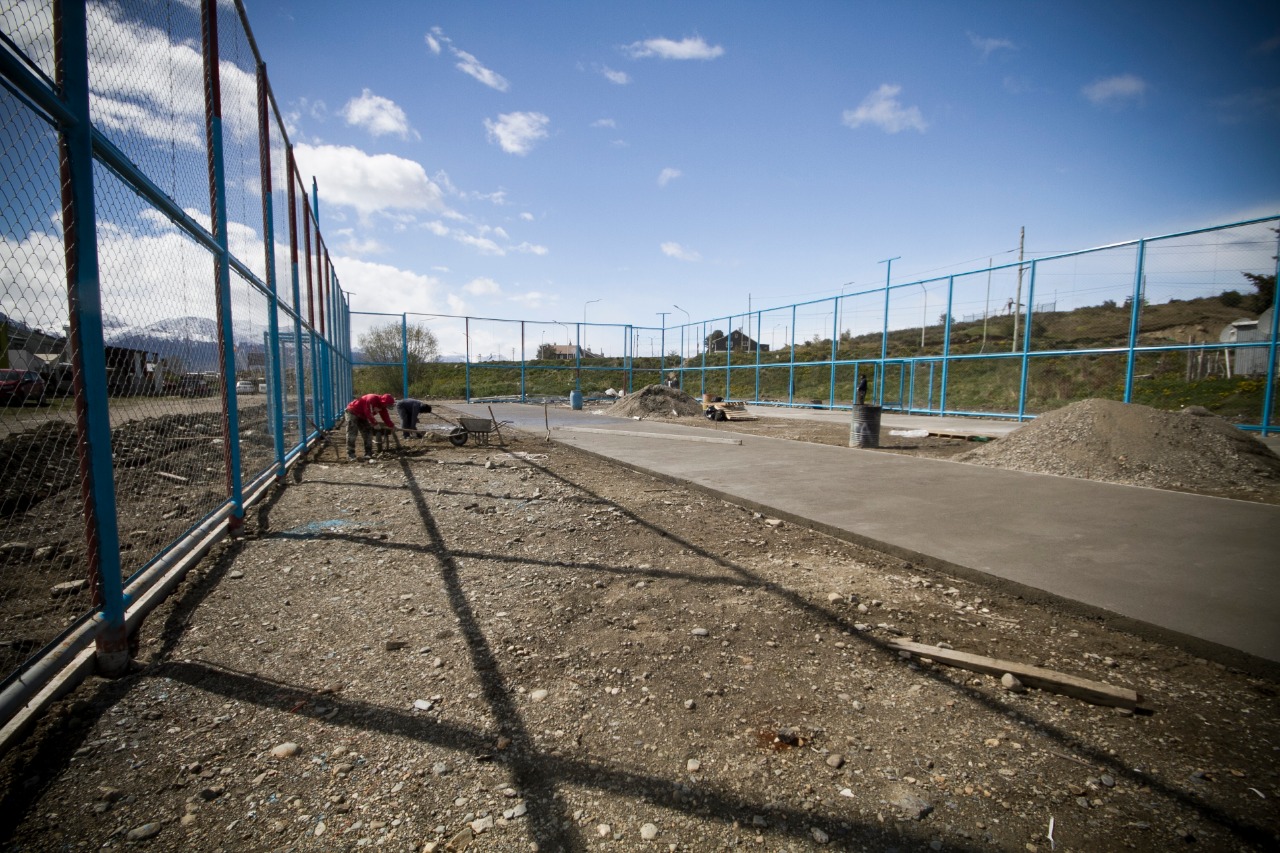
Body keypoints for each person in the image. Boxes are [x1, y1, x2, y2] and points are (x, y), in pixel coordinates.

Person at [345, 393, 395, 460]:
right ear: (384, 402)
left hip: (363, 416)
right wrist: (375, 424)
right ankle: (351, 454)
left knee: (368, 433)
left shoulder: (382, 406)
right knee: (352, 432)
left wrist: (392, 425)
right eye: (388, 405)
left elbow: (385, 417)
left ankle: (368, 453)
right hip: (352, 411)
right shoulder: (371, 399)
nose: (388, 406)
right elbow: (368, 412)